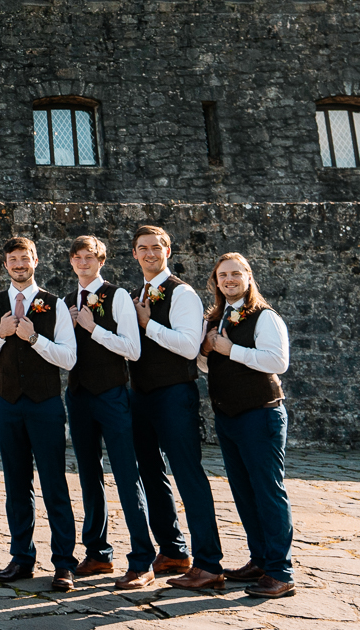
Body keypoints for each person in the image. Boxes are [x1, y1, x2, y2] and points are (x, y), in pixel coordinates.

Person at [0, 236, 80, 592]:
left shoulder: (55, 305)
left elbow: (69, 358)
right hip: (7, 403)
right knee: (16, 483)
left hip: (45, 403)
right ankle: (21, 557)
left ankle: (64, 563)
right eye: (13, 259)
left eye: (25, 258)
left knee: (54, 483)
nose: (20, 265)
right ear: (5, 264)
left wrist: (35, 339)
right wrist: (2, 334)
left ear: (36, 261)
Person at [125, 225, 226, 591]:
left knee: (187, 474)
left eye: (156, 247)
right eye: (142, 248)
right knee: (150, 474)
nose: (150, 254)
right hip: (141, 394)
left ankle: (209, 562)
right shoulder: (135, 294)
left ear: (168, 250)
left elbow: (187, 347)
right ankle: (172, 550)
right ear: (134, 254)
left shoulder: (182, 294)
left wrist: (147, 323)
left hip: (174, 394)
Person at [65, 235, 159, 590]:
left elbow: (132, 350)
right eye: (77, 257)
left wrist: (93, 328)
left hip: (113, 395)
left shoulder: (118, 296)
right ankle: (98, 553)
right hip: (78, 396)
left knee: (125, 473)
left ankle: (142, 561)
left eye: (90, 257)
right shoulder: (64, 301)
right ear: (71, 262)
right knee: (89, 475)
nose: (83, 262)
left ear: (101, 261)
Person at [203, 252, 295, 598]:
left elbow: (277, 361)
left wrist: (230, 350)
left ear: (248, 276)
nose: (228, 280)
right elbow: (209, 366)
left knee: (269, 492)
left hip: (260, 414)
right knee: (244, 492)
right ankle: (260, 559)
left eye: (235, 274)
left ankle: (281, 572)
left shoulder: (265, 317)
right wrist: (206, 350)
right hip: (229, 416)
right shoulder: (216, 317)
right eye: (222, 275)